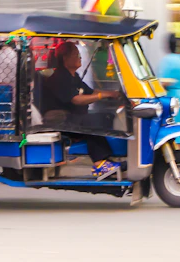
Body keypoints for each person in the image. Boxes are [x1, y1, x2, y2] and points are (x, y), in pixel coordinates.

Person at [41, 41, 126, 178]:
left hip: (72, 118)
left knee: (106, 116)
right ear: (65, 59)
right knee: (93, 121)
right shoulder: (60, 78)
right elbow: (76, 99)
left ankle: (107, 160)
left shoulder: (73, 76)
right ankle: (99, 163)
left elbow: (90, 91)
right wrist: (101, 95)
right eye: (76, 54)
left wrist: (112, 94)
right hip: (61, 121)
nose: (80, 57)